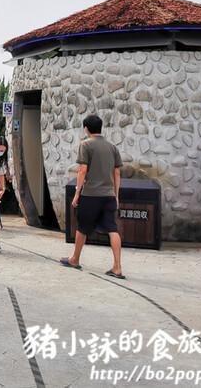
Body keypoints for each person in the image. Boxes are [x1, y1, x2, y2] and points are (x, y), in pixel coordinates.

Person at [60, 114, 125, 279]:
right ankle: (117, 267)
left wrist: (76, 194)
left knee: (82, 227)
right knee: (112, 228)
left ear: (86, 129)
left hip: (90, 195)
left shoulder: (86, 145)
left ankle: (75, 259)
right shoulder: (112, 147)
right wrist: (116, 195)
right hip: (109, 195)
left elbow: (82, 170)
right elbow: (117, 173)